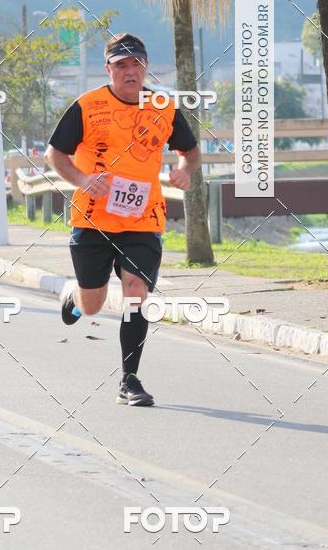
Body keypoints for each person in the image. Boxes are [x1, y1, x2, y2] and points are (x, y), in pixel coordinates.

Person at [45, 33, 200, 407]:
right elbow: (55, 153)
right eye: (121, 65)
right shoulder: (87, 105)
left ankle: (129, 378)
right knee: (94, 304)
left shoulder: (163, 106)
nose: (130, 72)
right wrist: (82, 180)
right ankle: (76, 296)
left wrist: (184, 170)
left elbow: (190, 150)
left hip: (143, 219)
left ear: (146, 67)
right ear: (108, 69)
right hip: (93, 218)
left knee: (135, 293)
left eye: (136, 64)